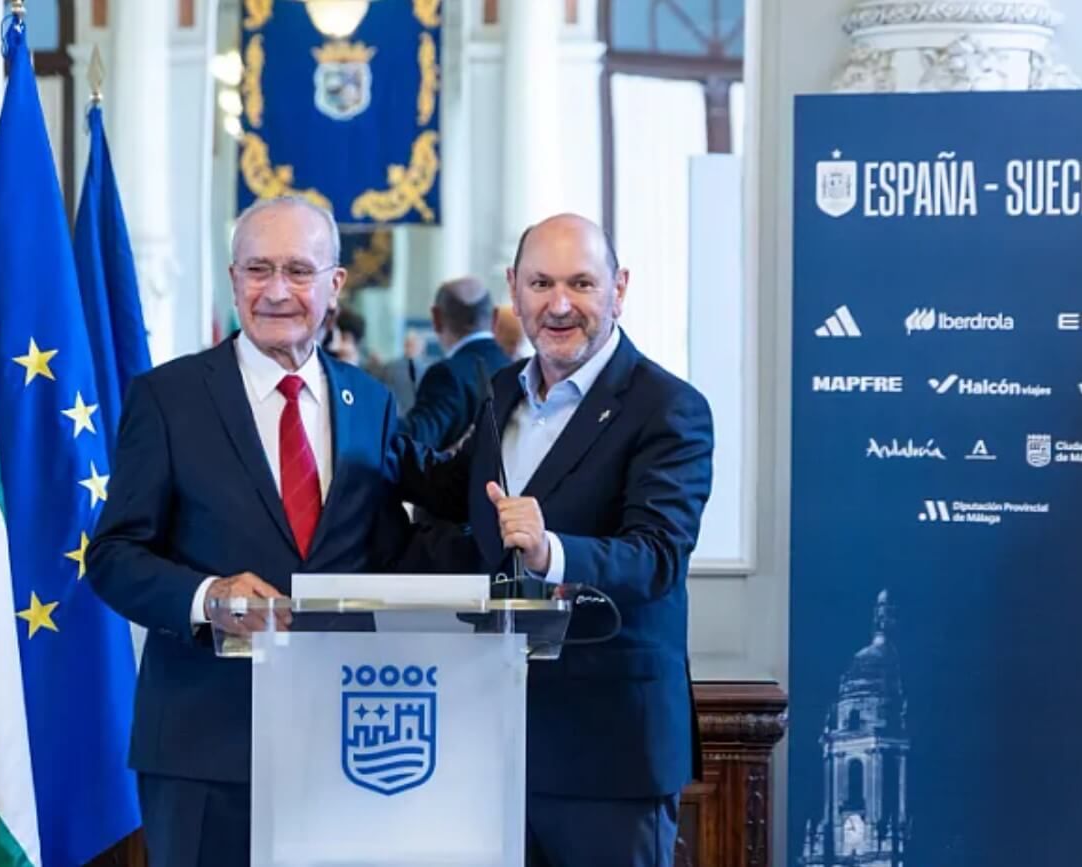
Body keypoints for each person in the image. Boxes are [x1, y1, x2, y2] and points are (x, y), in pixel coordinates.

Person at [85, 196, 413, 867]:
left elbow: (389, 552)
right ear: (233, 280)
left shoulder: (372, 401)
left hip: (345, 741)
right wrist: (209, 596)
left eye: (297, 270)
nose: (276, 291)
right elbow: (114, 556)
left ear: (334, 285)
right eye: (257, 270)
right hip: (203, 745)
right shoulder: (166, 398)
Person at [398, 213, 714, 867]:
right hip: (490, 739)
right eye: (540, 283)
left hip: (609, 752)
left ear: (618, 288)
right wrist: (334, 410)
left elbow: (656, 554)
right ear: (513, 289)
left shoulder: (669, 407)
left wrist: (552, 551)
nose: (559, 304)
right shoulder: (498, 393)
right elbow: (438, 487)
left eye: (580, 283)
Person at [399, 277, 511, 451]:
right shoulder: (517, 369)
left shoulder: (446, 375)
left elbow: (414, 445)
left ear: (436, 318)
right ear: (495, 317)